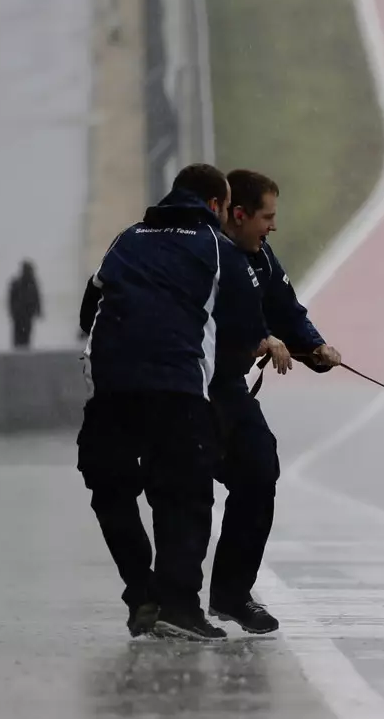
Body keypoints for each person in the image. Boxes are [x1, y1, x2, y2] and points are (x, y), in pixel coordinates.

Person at [76, 164, 291, 641]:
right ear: (217, 206)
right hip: (176, 387)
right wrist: (263, 342)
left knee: (112, 491)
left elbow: (90, 308)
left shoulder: (127, 238)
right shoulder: (218, 248)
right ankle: (176, 605)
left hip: (111, 387)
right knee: (183, 496)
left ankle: (141, 593)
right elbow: (238, 326)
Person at [206, 169, 341, 635]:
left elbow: (287, 311)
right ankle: (168, 600)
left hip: (232, 392)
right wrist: (257, 340)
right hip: (190, 388)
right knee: (185, 493)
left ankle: (230, 593)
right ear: (238, 214)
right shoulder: (205, 254)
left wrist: (317, 349)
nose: (273, 227)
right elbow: (211, 321)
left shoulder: (260, 256)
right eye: (267, 217)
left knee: (259, 472)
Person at [8, 259, 42, 348]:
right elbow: (11, 300)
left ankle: (22, 354)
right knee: (19, 339)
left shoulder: (31, 283)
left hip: (26, 316)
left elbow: (37, 298)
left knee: (25, 339)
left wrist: (38, 310)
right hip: (20, 316)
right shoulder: (17, 283)